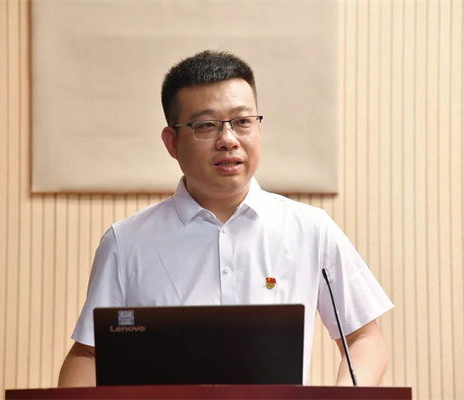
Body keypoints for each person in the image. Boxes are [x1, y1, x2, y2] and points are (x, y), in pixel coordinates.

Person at [58, 50, 393, 387]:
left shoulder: (310, 229)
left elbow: (364, 338)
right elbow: (88, 355)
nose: (229, 140)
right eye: (206, 125)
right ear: (172, 142)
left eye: (243, 122)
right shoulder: (126, 243)